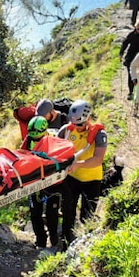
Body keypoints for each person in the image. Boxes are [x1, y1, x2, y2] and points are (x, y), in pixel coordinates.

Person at [58, 101, 108, 246]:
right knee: (68, 211)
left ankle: (85, 245)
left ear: (88, 119)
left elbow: (98, 160)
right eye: (75, 124)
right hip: (71, 179)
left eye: (80, 125)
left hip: (91, 180)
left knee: (87, 215)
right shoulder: (66, 130)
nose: (77, 128)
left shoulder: (99, 134)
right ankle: (65, 243)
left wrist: (78, 164)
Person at [21, 116, 61, 250]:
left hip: (52, 182)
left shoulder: (54, 138)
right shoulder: (29, 139)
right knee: (35, 212)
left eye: (38, 138)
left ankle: (54, 240)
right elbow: (22, 154)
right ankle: (40, 240)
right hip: (34, 181)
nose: (36, 140)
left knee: (52, 213)